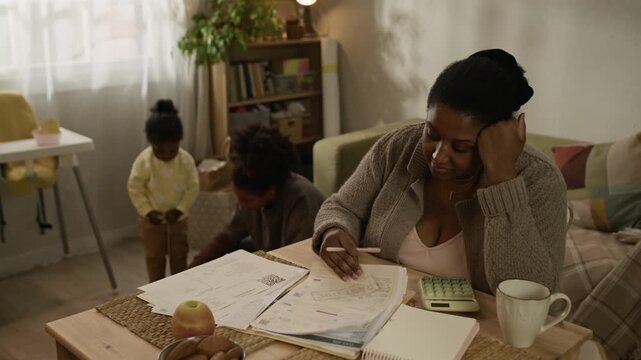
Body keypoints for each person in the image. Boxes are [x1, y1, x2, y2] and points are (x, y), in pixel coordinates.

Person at [313, 49, 567, 295]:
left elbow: (532, 292)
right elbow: (341, 207)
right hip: (382, 313)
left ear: (496, 138)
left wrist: (502, 179)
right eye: (431, 133)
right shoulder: (399, 147)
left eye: (461, 147)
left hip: (481, 332)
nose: (438, 156)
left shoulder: (539, 179)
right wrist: (334, 230)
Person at [190, 124, 325, 267]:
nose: (242, 205)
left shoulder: (302, 201)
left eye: (247, 200)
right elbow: (227, 236)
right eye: (238, 197)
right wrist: (192, 269)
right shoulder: (250, 200)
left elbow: (301, 261)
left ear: (270, 193)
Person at [127, 99, 199, 282]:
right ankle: (156, 289)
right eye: (160, 151)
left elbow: (193, 186)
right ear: (151, 142)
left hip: (178, 219)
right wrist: (147, 211)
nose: (167, 155)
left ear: (179, 142)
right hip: (151, 221)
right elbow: (135, 187)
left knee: (179, 255)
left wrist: (181, 209)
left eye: (172, 150)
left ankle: (180, 286)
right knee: (154, 257)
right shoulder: (144, 161)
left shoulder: (186, 161)